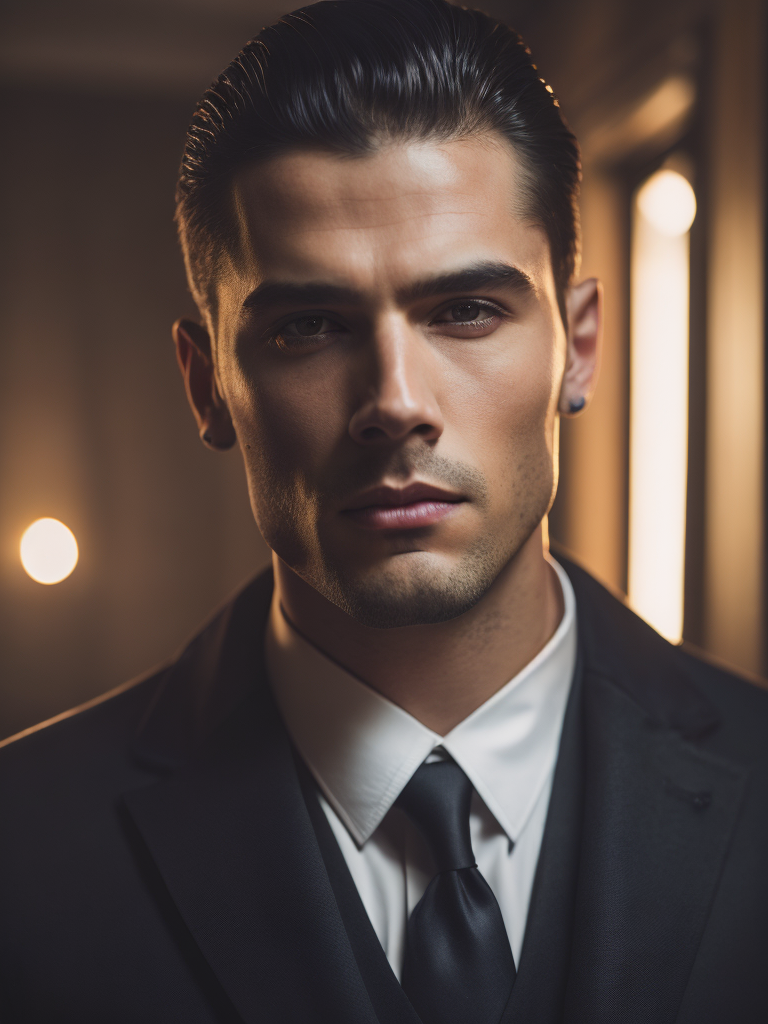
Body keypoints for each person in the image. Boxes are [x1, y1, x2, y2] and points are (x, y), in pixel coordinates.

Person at [1, 0, 766, 1020]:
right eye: (309, 326)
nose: (396, 402)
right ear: (206, 384)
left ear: (579, 347)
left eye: (466, 311)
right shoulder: (23, 849)